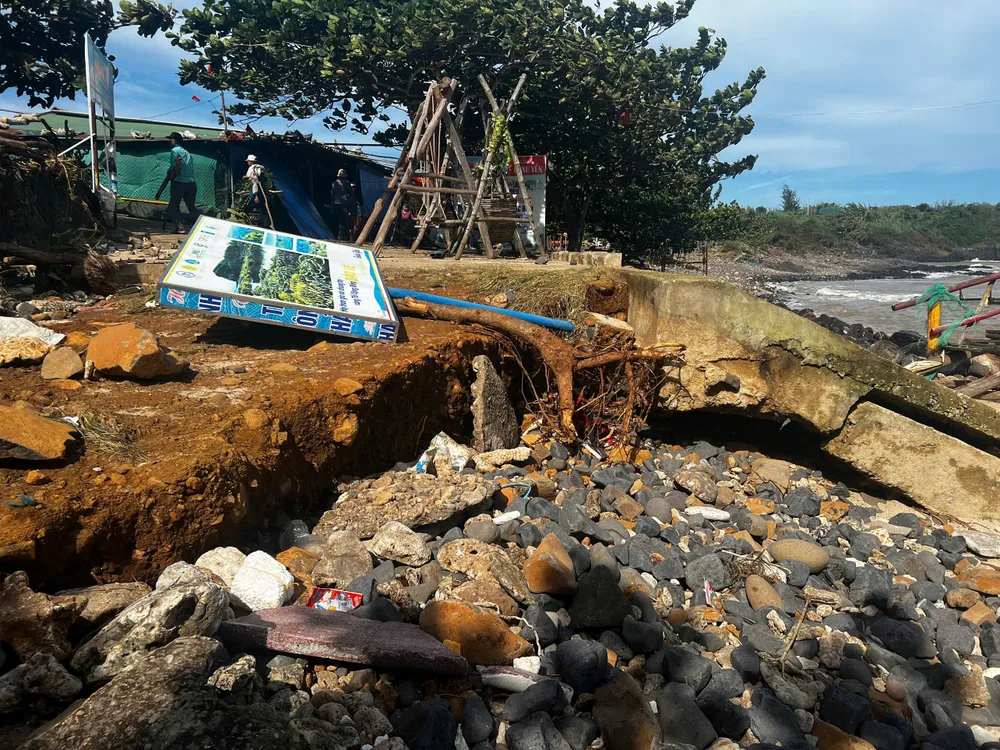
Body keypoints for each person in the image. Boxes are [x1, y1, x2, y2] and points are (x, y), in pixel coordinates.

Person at [154, 132, 198, 233]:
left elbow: (174, 167)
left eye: (171, 139)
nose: (170, 141)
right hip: (191, 183)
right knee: (191, 207)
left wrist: (170, 174)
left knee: (174, 206)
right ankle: (200, 225)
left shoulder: (174, 151)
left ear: (175, 140)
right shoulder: (187, 153)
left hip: (179, 183)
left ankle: (180, 227)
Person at [244, 154, 272, 228]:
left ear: (251, 161)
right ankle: (265, 224)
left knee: (249, 206)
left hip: (256, 191)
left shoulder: (252, 168)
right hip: (263, 191)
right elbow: (267, 179)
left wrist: (256, 195)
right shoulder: (262, 167)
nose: (247, 163)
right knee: (263, 208)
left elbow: (254, 182)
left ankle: (246, 221)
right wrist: (267, 189)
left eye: (248, 161)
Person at [330, 168, 355, 241]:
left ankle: (336, 235)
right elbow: (351, 194)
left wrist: (332, 205)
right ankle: (341, 235)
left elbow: (332, 195)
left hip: (336, 204)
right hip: (344, 204)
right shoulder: (346, 183)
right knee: (343, 220)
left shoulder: (334, 183)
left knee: (337, 220)